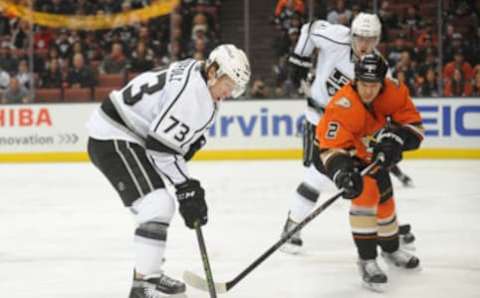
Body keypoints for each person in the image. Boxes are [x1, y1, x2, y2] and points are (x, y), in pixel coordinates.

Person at [86, 44, 250, 298]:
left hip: (130, 135)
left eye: (235, 88)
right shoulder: (194, 93)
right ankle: (143, 286)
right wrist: (186, 187)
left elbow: (170, 144)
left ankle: (149, 273)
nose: (229, 92)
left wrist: (184, 180)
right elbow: (161, 148)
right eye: (228, 84)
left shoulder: (200, 79)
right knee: (157, 204)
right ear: (214, 71)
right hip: (115, 134)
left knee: (153, 206)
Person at [282, 12, 414, 254]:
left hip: (353, 129)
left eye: (371, 39)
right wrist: (298, 59)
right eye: (360, 38)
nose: (365, 45)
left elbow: (386, 101)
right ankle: (292, 226)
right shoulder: (335, 38)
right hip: (319, 121)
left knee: (376, 174)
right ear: (351, 34)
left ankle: (385, 227)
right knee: (319, 175)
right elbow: (309, 29)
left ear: (378, 39)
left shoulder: (378, 67)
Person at [317, 53, 423, 291]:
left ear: (382, 83)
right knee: (364, 195)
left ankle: (391, 248)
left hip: (368, 152)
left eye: (373, 85)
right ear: (355, 81)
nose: (368, 91)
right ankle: (366, 260)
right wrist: (343, 174)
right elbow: (329, 149)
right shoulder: (343, 104)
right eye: (364, 84)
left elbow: (415, 128)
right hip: (337, 153)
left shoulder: (394, 92)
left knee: (385, 195)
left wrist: (396, 139)